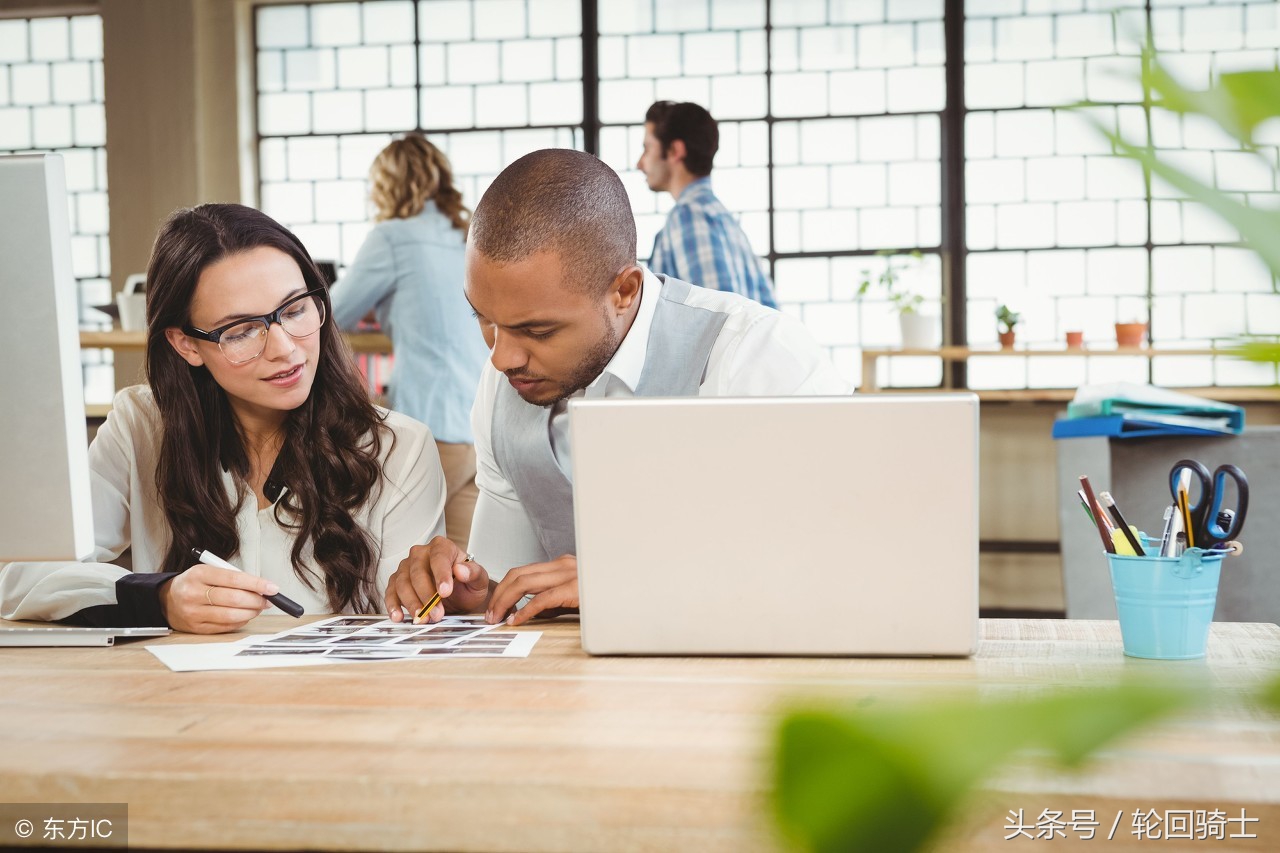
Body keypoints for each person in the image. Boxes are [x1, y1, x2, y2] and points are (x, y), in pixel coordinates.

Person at [383, 148, 850, 629]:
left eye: (539, 332)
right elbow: (508, 584)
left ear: (624, 291)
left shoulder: (756, 357)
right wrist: (474, 594)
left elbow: (841, 567)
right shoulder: (504, 382)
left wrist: (634, 585)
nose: (501, 358)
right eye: (482, 319)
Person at [0, 204, 446, 633]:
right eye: (242, 331)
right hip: (179, 704)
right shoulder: (141, 427)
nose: (285, 349)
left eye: (294, 310)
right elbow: (19, 576)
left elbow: (410, 621)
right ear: (185, 344)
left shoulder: (399, 447)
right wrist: (159, 598)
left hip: (337, 703)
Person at [330, 134, 488, 553]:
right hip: (479, 424)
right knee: (465, 565)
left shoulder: (392, 237)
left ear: (386, 185)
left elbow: (326, 315)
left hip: (430, 425)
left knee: (402, 558)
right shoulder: (468, 235)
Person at [637, 100, 778, 308]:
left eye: (647, 148)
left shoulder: (688, 216)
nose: (640, 163)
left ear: (675, 150)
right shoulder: (727, 222)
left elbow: (716, 319)